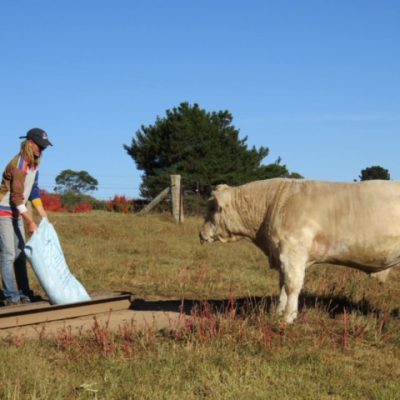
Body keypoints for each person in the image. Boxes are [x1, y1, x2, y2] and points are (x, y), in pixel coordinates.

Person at [0, 128, 52, 305]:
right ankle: (10, 295)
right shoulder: (18, 165)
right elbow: (16, 197)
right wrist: (30, 221)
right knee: (8, 254)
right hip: (4, 211)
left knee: (21, 254)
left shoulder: (35, 163)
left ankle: (24, 292)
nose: (42, 150)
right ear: (30, 143)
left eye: (44, 147)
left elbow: (34, 191)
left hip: (17, 211)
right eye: (40, 147)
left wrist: (43, 216)